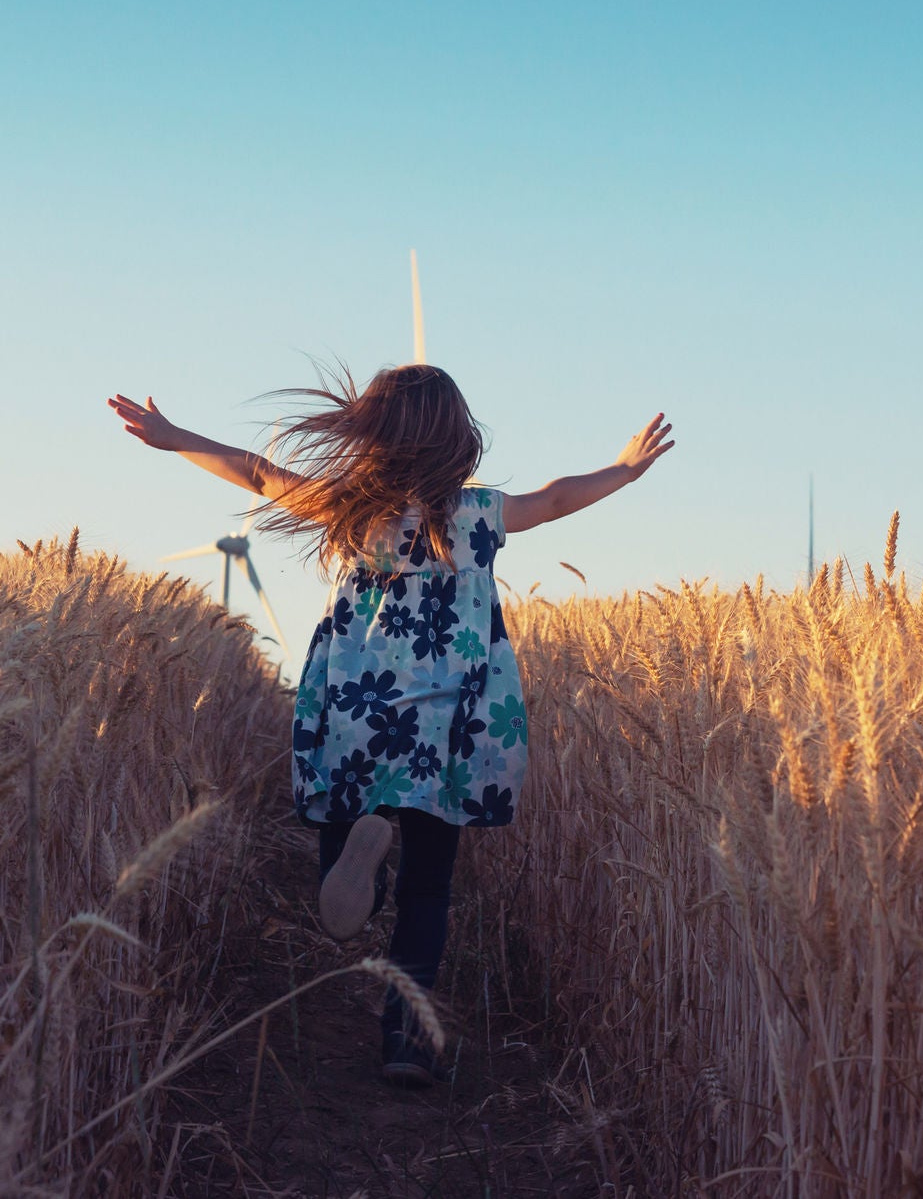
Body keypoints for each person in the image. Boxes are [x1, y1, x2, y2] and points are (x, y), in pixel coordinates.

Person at [108, 366, 674, 1087]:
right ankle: (405, 1038)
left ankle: (357, 857)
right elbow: (559, 497)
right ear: (457, 437)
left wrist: (172, 436)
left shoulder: (352, 507)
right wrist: (624, 469)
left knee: (350, 819)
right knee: (430, 887)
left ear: (371, 432)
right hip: (449, 719)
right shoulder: (478, 513)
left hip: (359, 703)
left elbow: (256, 473)